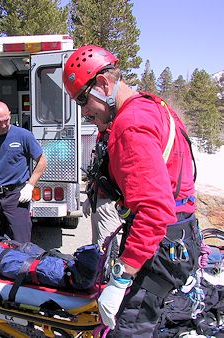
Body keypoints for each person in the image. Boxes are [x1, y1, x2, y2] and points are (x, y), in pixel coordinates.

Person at [63, 45, 201, 336]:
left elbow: (154, 210)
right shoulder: (153, 106)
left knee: (130, 329)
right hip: (181, 233)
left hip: (160, 242)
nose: (84, 110)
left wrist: (121, 278)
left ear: (104, 84)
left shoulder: (130, 125)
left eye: (83, 100)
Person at [0, 101, 47, 243]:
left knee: (22, 243)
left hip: (17, 197)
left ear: (10, 115)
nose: (3, 125)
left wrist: (30, 186)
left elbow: (42, 161)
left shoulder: (23, 136)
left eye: (6, 120)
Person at [82, 120, 123, 256]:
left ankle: (104, 275)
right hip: (98, 199)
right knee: (96, 248)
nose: (93, 120)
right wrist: (91, 196)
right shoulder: (103, 135)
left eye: (96, 117)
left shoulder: (117, 137)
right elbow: (98, 171)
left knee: (105, 251)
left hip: (109, 202)